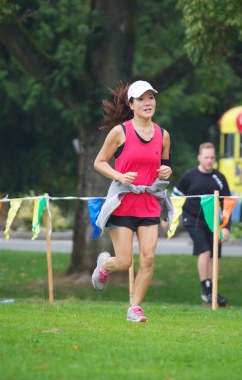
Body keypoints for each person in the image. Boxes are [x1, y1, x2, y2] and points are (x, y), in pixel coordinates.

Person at [92, 80, 173, 323]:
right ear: (131, 104)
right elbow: (99, 162)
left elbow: (165, 166)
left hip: (149, 201)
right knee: (125, 262)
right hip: (123, 201)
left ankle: (134, 308)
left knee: (148, 257)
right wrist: (119, 175)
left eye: (151, 98)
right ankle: (105, 265)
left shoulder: (163, 134)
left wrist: (166, 172)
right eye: (142, 99)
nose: (148, 103)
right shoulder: (121, 132)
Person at [173, 142, 231, 307]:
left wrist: (226, 227)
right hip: (193, 219)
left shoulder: (219, 178)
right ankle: (205, 289)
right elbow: (175, 197)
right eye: (206, 157)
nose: (209, 161)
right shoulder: (189, 176)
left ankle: (212, 291)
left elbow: (227, 204)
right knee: (205, 252)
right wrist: (168, 218)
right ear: (199, 158)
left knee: (215, 257)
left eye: (212, 157)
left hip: (214, 222)